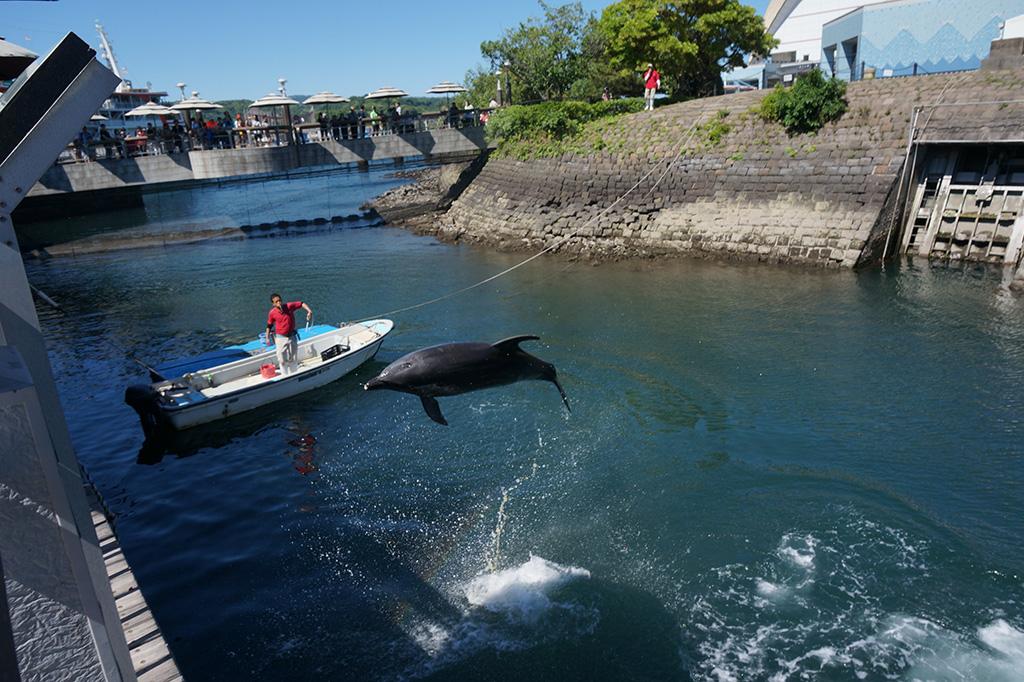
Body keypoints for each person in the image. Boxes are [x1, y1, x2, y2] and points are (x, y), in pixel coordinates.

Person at [265, 294, 313, 376]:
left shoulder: (289, 306)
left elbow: (301, 303)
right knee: (281, 358)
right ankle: (284, 375)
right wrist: (267, 337)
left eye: (280, 300)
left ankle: (293, 374)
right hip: (280, 338)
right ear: (273, 304)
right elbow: (269, 325)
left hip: (292, 336)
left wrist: (309, 311)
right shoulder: (272, 313)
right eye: (276, 302)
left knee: (293, 357)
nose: (279, 303)